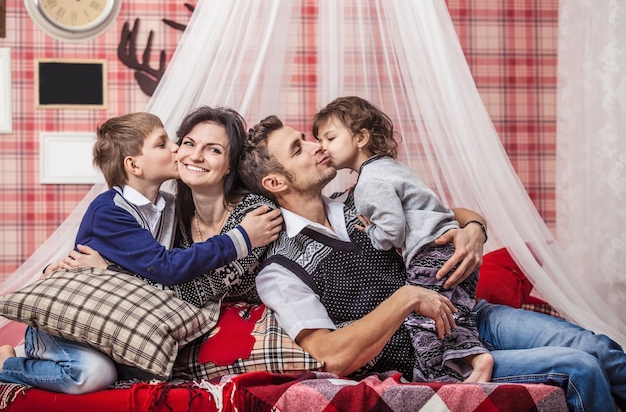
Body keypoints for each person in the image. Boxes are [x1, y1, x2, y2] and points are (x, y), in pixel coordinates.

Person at [238, 114, 626, 412]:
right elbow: (331, 356)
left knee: (598, 347)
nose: (314, 145)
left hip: (473, 314)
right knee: (580, 367)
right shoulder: (281, 268)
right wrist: (405, 299)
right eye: (297, 148)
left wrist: (474, 229)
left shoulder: (359, 196)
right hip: (431, 353)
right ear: (276, 183)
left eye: (306, 138)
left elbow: (448, 211)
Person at [0, 109, 282, 394]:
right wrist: (242, 238)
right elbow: (166, 268)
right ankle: (8, 365)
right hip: (70, 322)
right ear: (134, 166)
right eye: (167, 144)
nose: (177, 149)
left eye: (213, 149)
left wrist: (111, 272)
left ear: (230, 163)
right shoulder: (111, 210)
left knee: (146, 370)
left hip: (112, 324)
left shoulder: (171, 208)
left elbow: (166, 273)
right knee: (92, 374)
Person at [311, 96, 492, 383]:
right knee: (455, 314)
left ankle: (461, 370)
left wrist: (371, 231)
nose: (322, 147)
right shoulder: (393, 168)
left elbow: (391, 232)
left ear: (360, 138)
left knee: (427, 323)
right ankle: (472, 358)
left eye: (330, 138)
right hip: (446, 249)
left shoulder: (369, 182)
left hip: (428, 255)